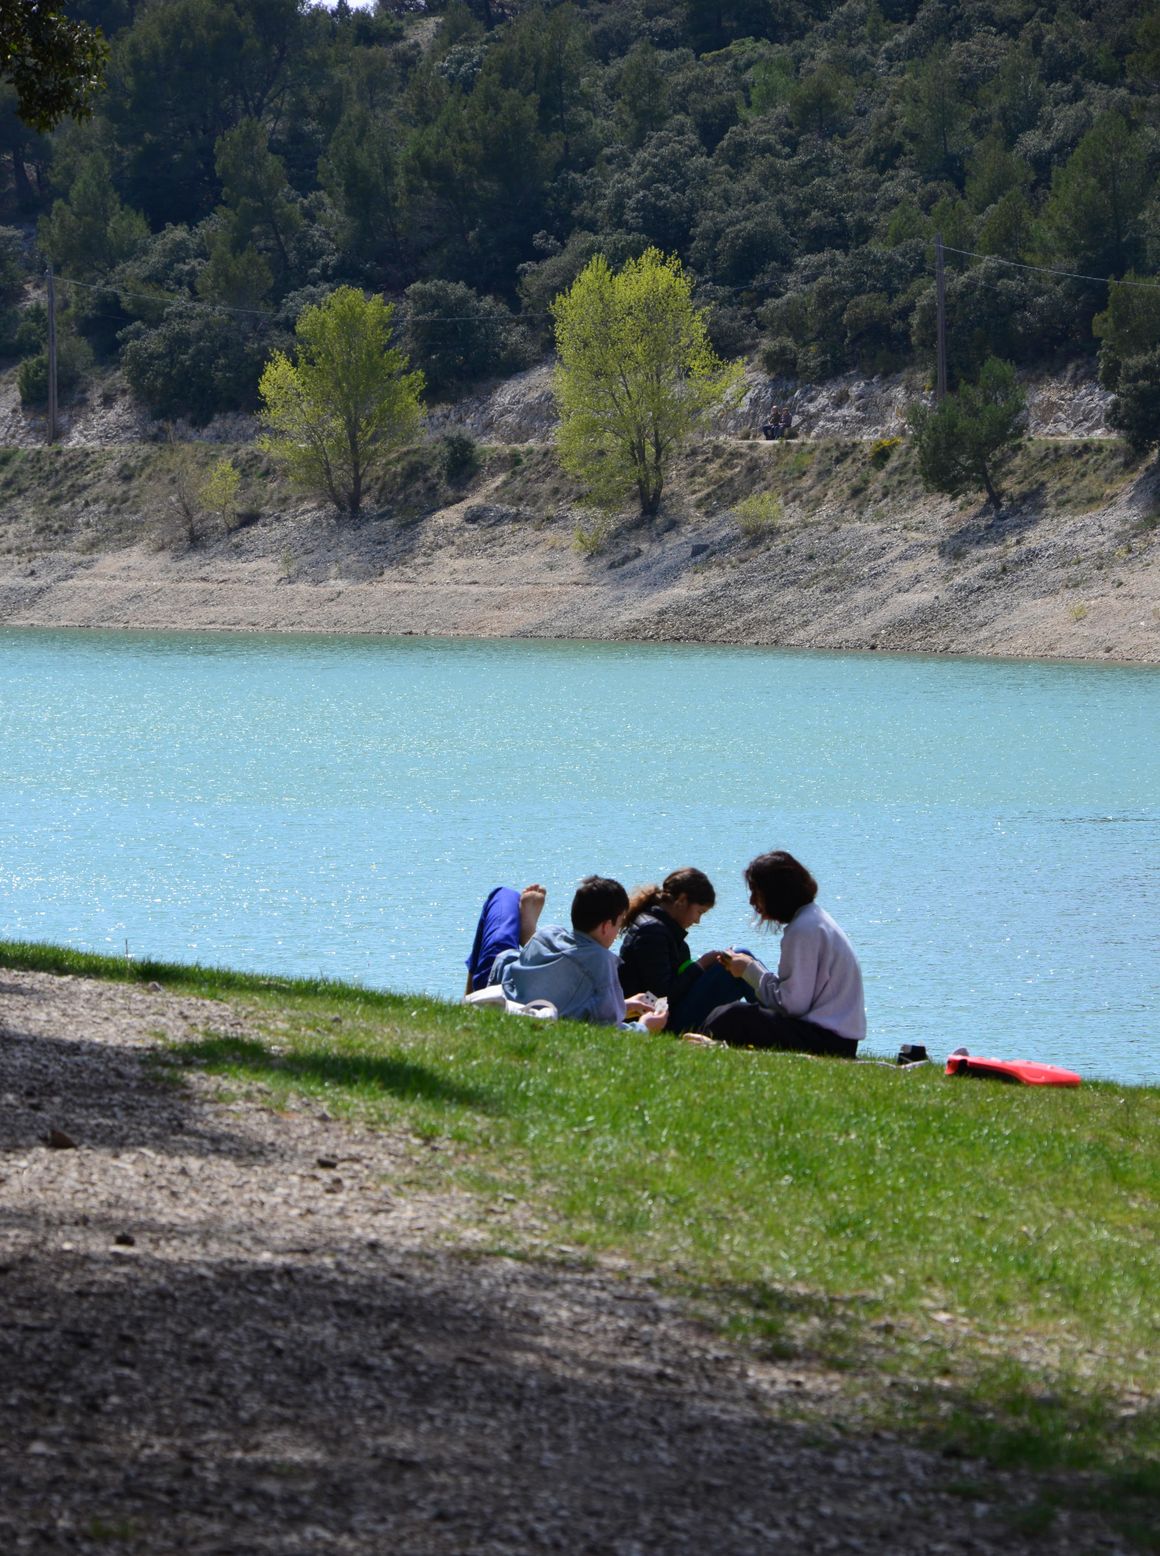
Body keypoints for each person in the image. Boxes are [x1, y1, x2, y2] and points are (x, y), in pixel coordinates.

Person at [702, 850, 865, 1058]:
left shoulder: (803, 930)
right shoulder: (814, 919)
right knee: (733, 1015)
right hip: (835, 1039)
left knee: (732, 1016)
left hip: (827, 1041)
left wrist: (748, 970)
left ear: (776, 893)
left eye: (756, 893)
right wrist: (750, 967)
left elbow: (792, 1005)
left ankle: (699, 1045)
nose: (752, 901)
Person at [466, 876, 663, 1028]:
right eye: (618, 924)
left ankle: (528, 933)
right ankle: (528, 931)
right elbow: (607, 1027)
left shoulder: (549, 934)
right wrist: (644, 1027)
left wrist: (623, 1005)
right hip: (526, 1011)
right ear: (605, 926)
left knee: (503, 895)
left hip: (498, 990)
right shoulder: (602, 962)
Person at [618, 867, 752, 1034]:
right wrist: (701, 965)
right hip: (663, 1020)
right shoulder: (652, 932)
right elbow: (662, 996)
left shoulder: (659, 927)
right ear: (681, 900)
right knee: (740, 957)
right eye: (699, 912)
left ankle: (771, 1017)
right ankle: (775, 1020)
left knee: (736, 959)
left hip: (667, 1012)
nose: (697, 920)